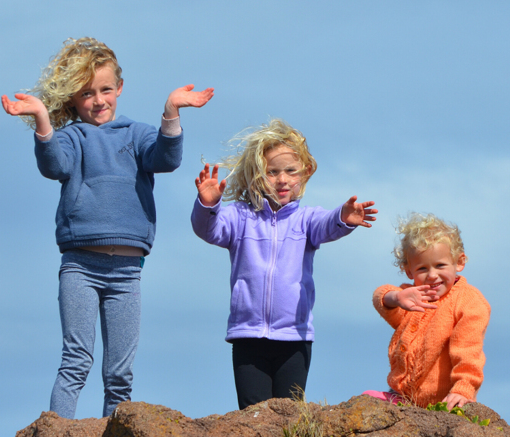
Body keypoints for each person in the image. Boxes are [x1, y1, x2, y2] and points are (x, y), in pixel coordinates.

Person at [1, 37, 214, 419]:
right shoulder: (71, 137)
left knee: (119, 374)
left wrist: (171, 112)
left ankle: (116, 435)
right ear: (72, 98)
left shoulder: (138, 134)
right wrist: (42, 121)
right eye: (87, 93)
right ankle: (57, 435)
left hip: (128, 273)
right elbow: (54, 166)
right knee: (75, 360)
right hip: (80, 266)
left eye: (105, 90)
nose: (98, 100)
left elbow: (165, 159)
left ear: (119, 89)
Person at [191, 118, 378, 409]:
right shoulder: (240, 217)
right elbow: (209, 231)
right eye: (272, 172)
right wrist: (207, 205)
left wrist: (343, 216)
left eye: (291, 171)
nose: (282, 180)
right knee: (254, 416)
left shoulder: (306, 219)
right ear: (256, 175)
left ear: (304, 173)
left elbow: (327, 224)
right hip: (248, 335)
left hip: (294, 337)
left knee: (290, 416)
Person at [363, 213, 490, 409]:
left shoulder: (469, 301)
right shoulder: (412, 296)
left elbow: (469, 350)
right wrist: (396, 298)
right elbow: (381, 296)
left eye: (440, 265)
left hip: (445, 400)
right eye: (422, 268)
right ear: (409, 271)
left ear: (459, 262)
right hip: (403, 395)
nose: (432, 275)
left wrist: (463, 388)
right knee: (367, 400)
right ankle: (399, 400)